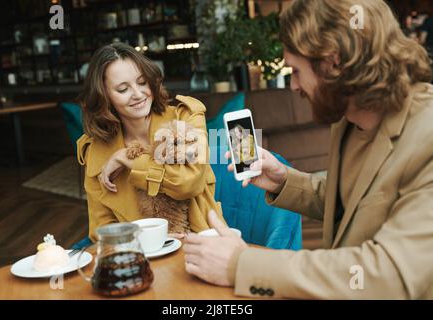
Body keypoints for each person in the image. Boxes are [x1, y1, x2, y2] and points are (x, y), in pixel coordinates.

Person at [183, 0, 433, 299]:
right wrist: (283, 180)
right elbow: (354, 201)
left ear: (333, 63)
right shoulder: (350, 120)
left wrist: (241, 264)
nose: (293, 87)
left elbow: (387, 275)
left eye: (296, 71)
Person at [77, 42, 224, 242]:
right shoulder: (96, 150)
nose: (138, 94)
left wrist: (127, 158)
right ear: (105, 97)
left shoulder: (186, 117)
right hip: (139, 255)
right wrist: (148, 240)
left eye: (142, 82)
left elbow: (189, 183)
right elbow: (101, 230)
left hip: (202, 242)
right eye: (123, 89)